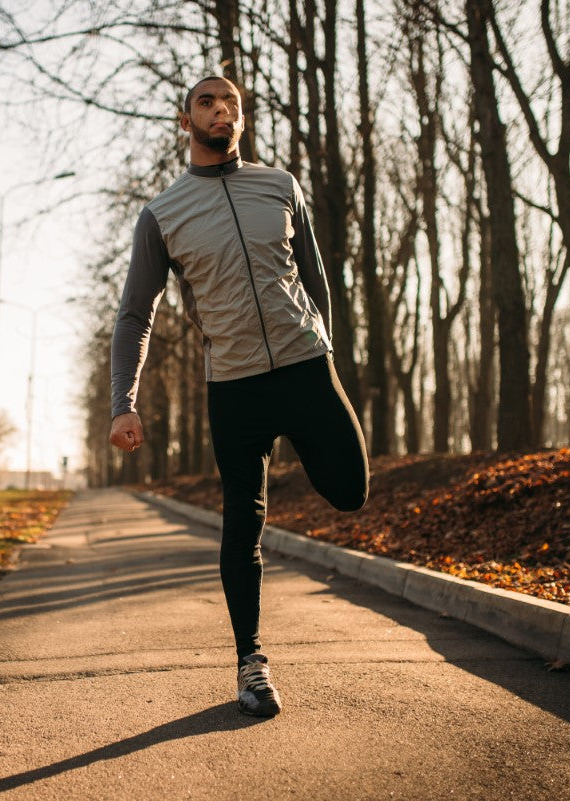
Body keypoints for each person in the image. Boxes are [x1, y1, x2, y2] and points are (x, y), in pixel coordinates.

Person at [109, 76, 370, 717]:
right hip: (235, 386)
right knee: (241, 525)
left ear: (241, 120)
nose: (222, 109)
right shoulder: (163, 214)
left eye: (232, 103)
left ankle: (301, 443)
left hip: (307, 367)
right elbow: (134, 314)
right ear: (185, 120)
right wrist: (124, 402)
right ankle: (251, 663)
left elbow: (314, 275)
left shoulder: (280, 186)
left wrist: (326, 347)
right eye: (207, 101)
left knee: (350, 492)